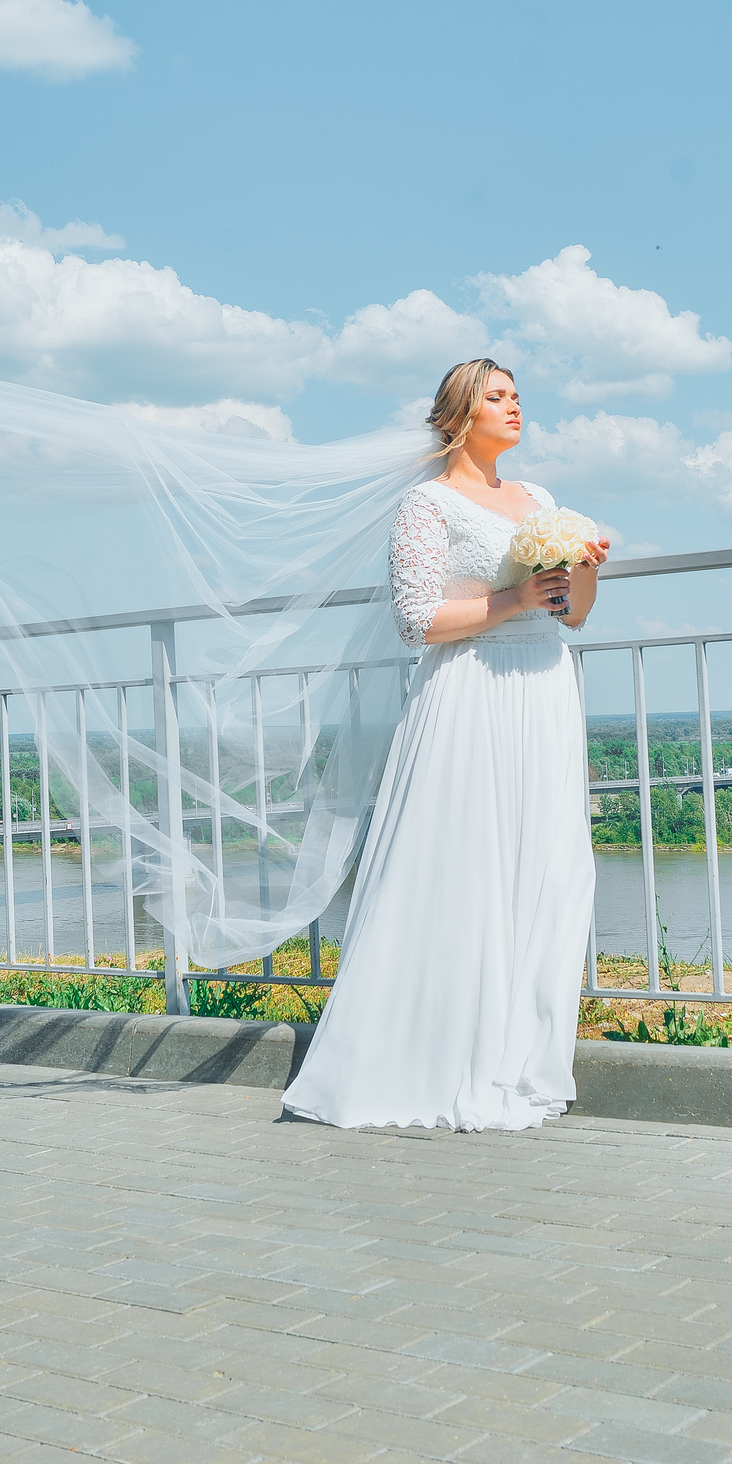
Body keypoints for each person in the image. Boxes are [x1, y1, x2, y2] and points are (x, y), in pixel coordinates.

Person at [280, 358, 608, 1131]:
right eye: (497, 397)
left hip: (544, 687)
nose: (515, 406)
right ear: (459, 415)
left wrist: (584, 571)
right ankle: (433, 1057)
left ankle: (519, 1056)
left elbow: (575, 614)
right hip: (469, 692)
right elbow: (416, 619)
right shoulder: (426, 504)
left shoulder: (541, 502)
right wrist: (515, 597)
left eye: (518, 395)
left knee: (545, 868)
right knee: (460, 864)